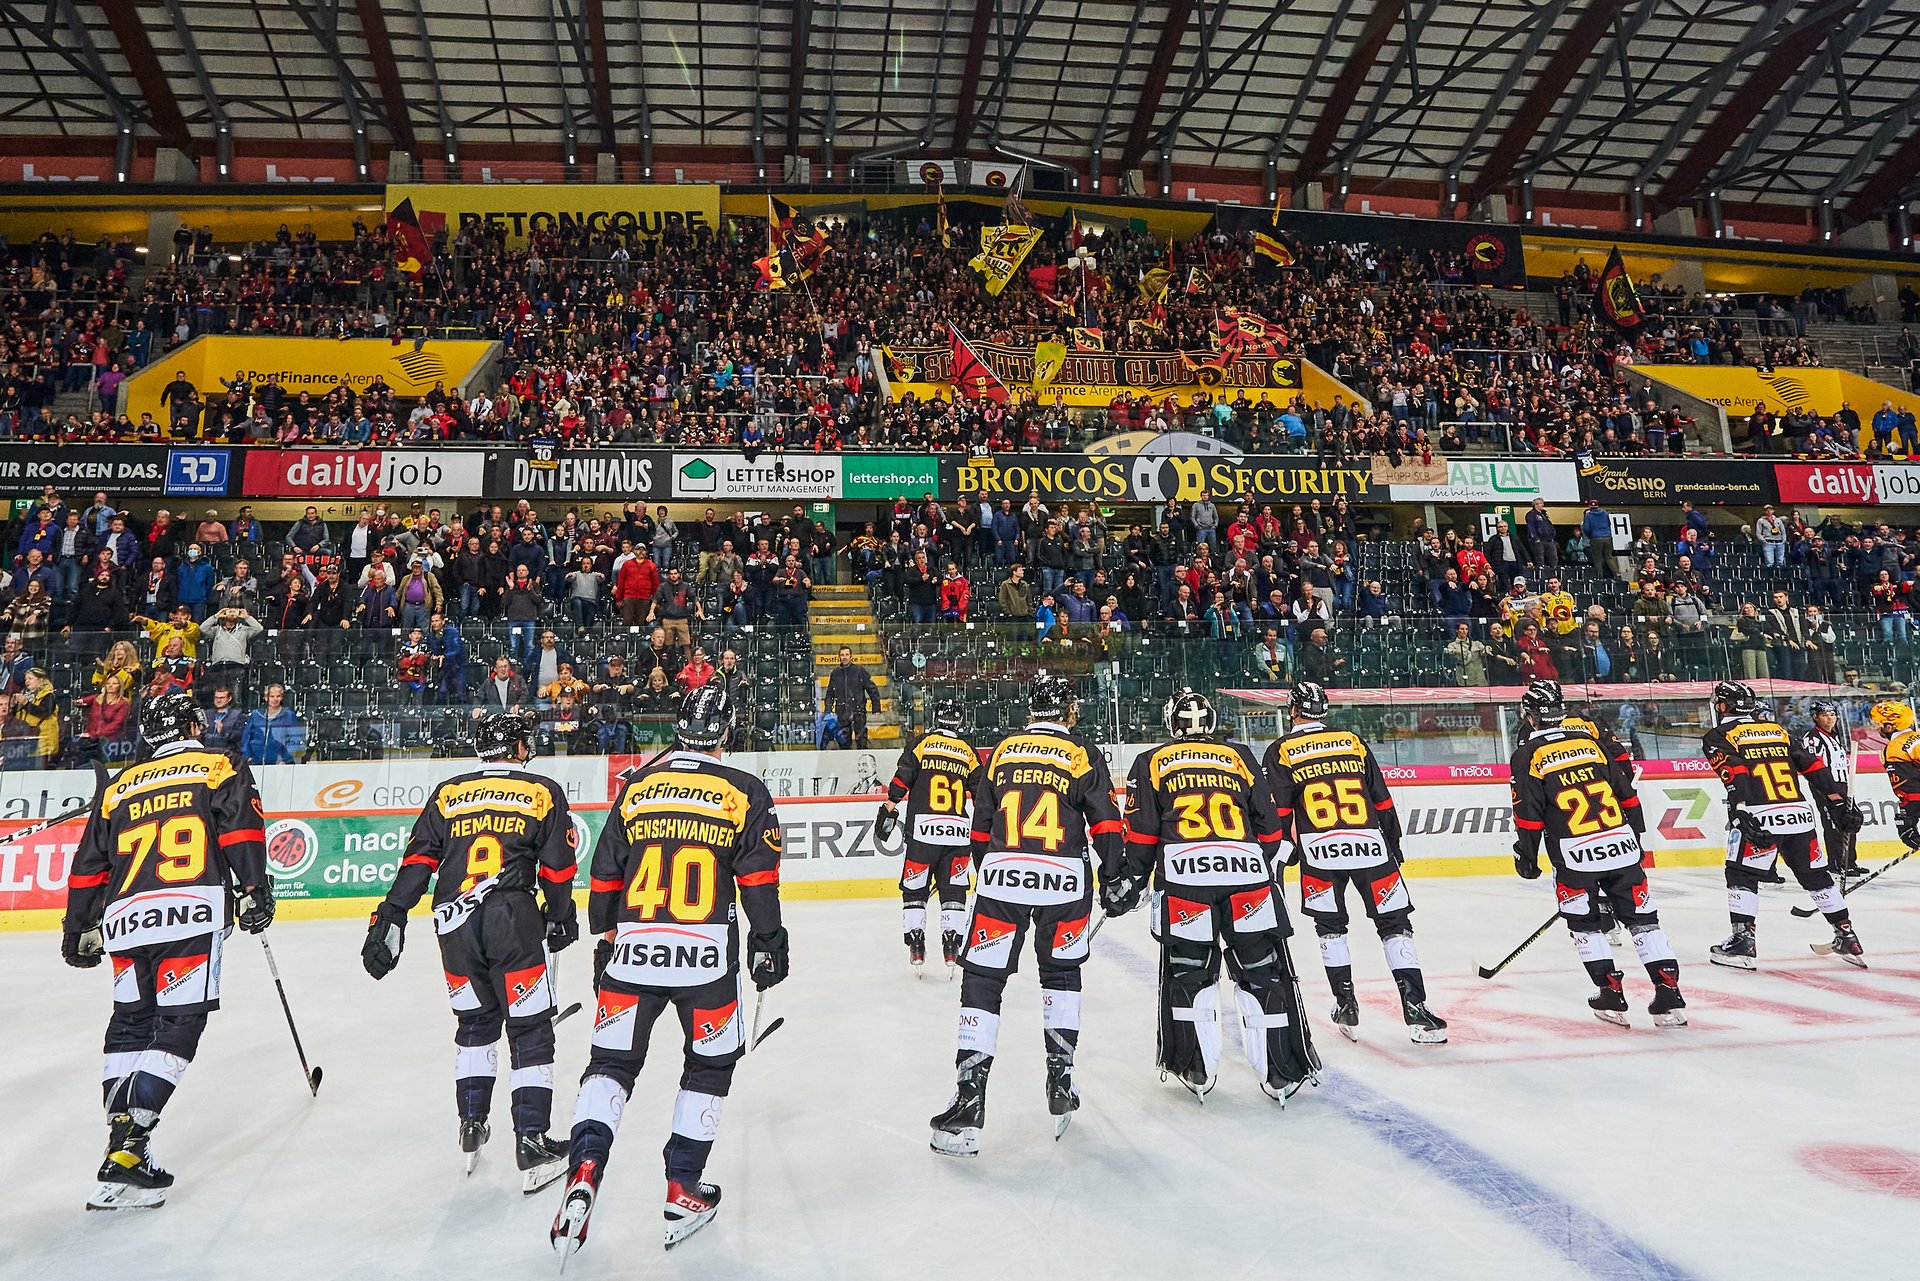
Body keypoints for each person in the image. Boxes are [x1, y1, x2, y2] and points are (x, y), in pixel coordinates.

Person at [550, 686, 787, 1257]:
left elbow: (604, 875)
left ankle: (585, 1166)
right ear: (726, 733)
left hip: (633, 951)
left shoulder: (637, 788)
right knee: (709, 1066)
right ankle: (683, 1186)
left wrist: (607, 939)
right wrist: (769, 941)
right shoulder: (744, 791)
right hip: (706, 959)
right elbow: (758, 880)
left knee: (609, 1065)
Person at [59, 692, 275, 1209]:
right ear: (192, 726)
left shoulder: (119, 786)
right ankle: (130, 1143)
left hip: (125, 920)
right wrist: (254, 888)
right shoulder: (218, 764)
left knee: (130, 1023)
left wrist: (77, 927)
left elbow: (89, 866)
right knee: (179, 1023)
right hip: (189, 912)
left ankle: (123, 1149)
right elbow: (240, 829)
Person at [362, 709, 578, 1191]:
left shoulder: (449, 791)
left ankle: (471, 1123)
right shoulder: (541, 790)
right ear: (518, 748)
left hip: (453, 923)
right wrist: (561, 914)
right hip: (511, 920)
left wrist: (393, 911)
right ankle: (531, 1139)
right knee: (530, 1028)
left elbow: (419, 859)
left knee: (475, 1023)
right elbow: (559, 867)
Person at [929, 674, 1122, 1156]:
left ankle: (969, 1096)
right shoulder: (1080, 752)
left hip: (1003, 877)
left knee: (984, 978)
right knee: (1060, 974)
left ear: (1031, 711)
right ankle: (1062, 1078)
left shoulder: (1002, 752)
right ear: (1068, 711)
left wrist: (993, 871)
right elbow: (1105, 823)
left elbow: (979, 831)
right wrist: (1116, 877)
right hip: (1065, 881)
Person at [1114, 688, 1320, 1101]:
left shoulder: (1151, 760)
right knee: (1262, 970)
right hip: (1247, 876)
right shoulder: (1239, 756)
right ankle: (1281, 1070)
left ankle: (1194, 1066)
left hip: (1184, 878)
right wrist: (1259, 862)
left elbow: (1141, 833)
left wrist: (1131, 880)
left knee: (1189, 971)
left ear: (1171, 723)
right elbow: (1269, 824)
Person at [1263, 681, 1446, 1045]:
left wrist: (1282, 860)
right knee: (1395, 925)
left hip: (1319, 851)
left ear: (1293, 710)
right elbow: (1381, 799)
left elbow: (1279, 814)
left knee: (1330, 928)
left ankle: (1345, 1004)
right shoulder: (1351, 740)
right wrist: (1392, 843)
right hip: (1370, 846)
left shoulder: (1281, 750)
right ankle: (1417, 1009)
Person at [1510, 680, 1687, 1027]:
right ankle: (1668, 990)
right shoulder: (1588, 741)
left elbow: (1528, 814)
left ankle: (1610, 993)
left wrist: (1526, 856)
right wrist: (1635, 836)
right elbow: (1626, 792)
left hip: (1574, 854)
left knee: (1585, 924)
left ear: (1530, 717)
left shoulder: (1527, 754)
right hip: (1621, 845)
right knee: (1643, 919)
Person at [1702, 681, 1863, 970]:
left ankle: (1743, 941)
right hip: (1798, 814)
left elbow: (1735, 772)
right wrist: (1838, 802)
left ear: (1723, 706)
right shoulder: (1777, 730)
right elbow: (1813, 766)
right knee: (1815, 876)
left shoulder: (1719, 735)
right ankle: (1846, 934)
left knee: (1741, 874)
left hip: (1759, 813)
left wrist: (1740, 810)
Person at [877, 699, 981, 970]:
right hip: (958, 835)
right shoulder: (968, 752)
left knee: (915, 890)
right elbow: (982, 795)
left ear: (936, 719)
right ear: (960, 723)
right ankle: (951, 945)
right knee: (954, 891)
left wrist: (890, 805)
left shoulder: (922, 744)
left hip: (923, 834)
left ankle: (916, 943)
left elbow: (902, 778)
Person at [1803, 700, 1864, 882]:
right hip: (1825, 787)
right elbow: (1814, 766)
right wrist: (1829, 791)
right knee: (1834, 826)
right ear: (1815, 717)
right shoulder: (1813, 738)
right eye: (1824, 715)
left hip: (1842, 785)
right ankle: (1837, 864)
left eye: (1832, 714)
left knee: (1850, 821)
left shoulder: (1835, 736)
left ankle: (1849, 862)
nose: (1830, 718)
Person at [821, 646, 881, 749]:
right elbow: (830, 694)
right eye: (842, 655)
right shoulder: (835, 673)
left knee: (861, 741)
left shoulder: (859, 671)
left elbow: (872, 689)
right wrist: (828, 710)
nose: (844, 657)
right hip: (842, 712)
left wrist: (876, 707)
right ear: (839, 657)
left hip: (858, 711)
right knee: (844, 744)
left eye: (847, 655)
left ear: (851, 656)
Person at [242, 683, 306, 765]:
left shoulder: (288, 715)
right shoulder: (255, 715)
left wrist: (286, 760)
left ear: (282, 697)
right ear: (266, 698)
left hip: (279, 763)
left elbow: (294, 739)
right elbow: (246, 737)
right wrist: (247, 756)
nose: (275, 699)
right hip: (255, 762)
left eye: (278, 696)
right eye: (272, 696)